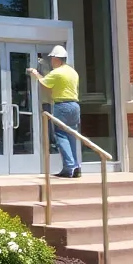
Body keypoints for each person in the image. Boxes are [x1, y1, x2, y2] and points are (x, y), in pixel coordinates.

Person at [28, 45, 81, 178]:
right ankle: (76, 166)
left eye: (52, 58)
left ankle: (69, 167)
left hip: (62, 105)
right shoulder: (72, 72)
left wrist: (35, 73)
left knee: (61, 136)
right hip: (74, 105)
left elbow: (45, 83)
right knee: (71, 136)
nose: (51, 61)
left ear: (57, 59)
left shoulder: (57, 72)